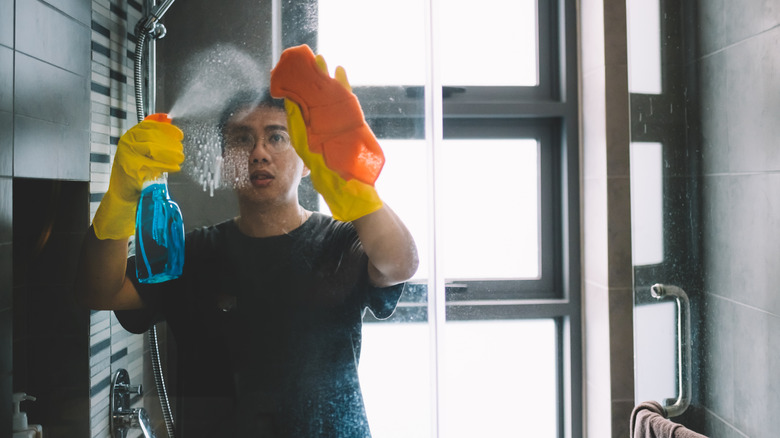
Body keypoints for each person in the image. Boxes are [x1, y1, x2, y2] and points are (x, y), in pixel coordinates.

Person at [75, 45, 419, 437]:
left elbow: (400, 263)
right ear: (224, 159)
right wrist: (120, 197)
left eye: (277, 137)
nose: (259, 152)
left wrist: (359, 195)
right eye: (241, 139)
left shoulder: (341, 242)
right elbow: (99, 291)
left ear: (306, 158)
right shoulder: (194, 254)